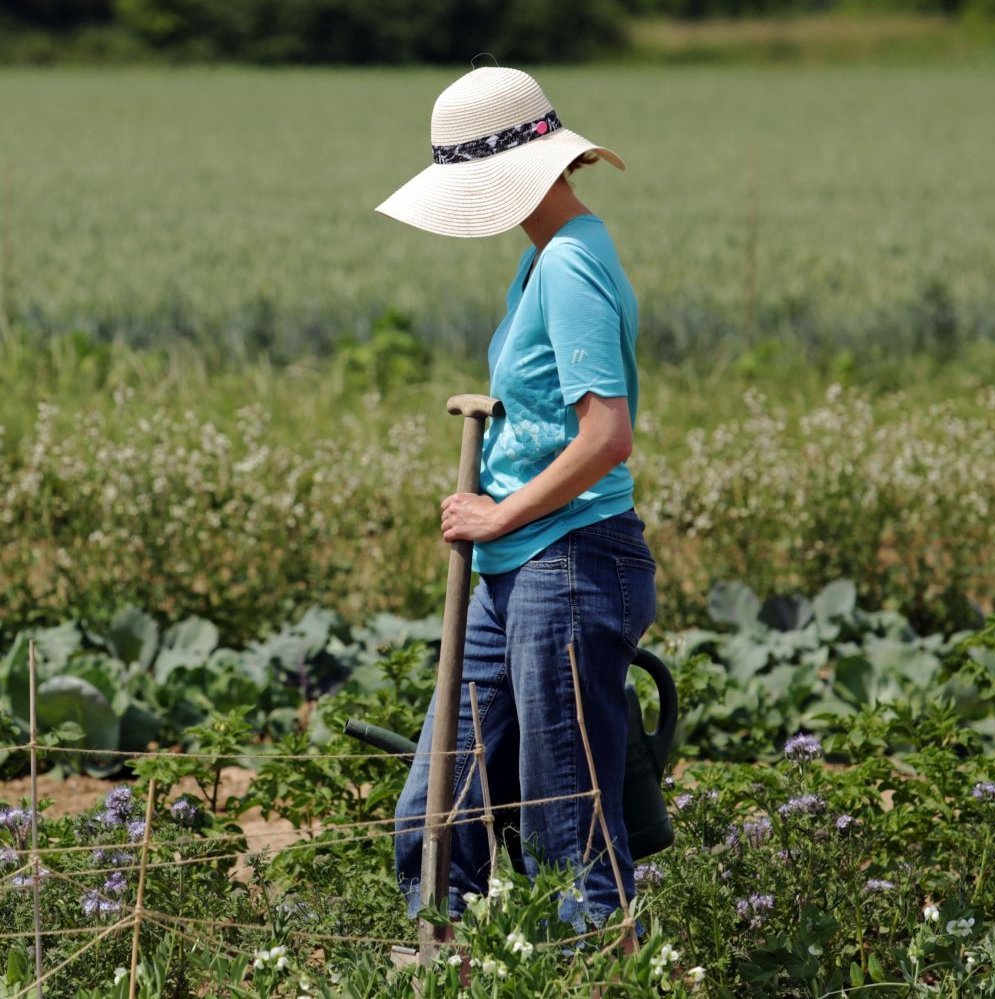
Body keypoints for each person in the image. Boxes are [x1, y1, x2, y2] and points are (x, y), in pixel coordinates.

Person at [377, 66, 657, 934]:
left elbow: (607, 434)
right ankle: (447, 963)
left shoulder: (571, 263)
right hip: (518, 565)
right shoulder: (542, 258)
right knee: (436, 811)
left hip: (566, 562)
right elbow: (556, 411)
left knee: (564, 824)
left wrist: (498, 511)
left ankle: (601, 969)